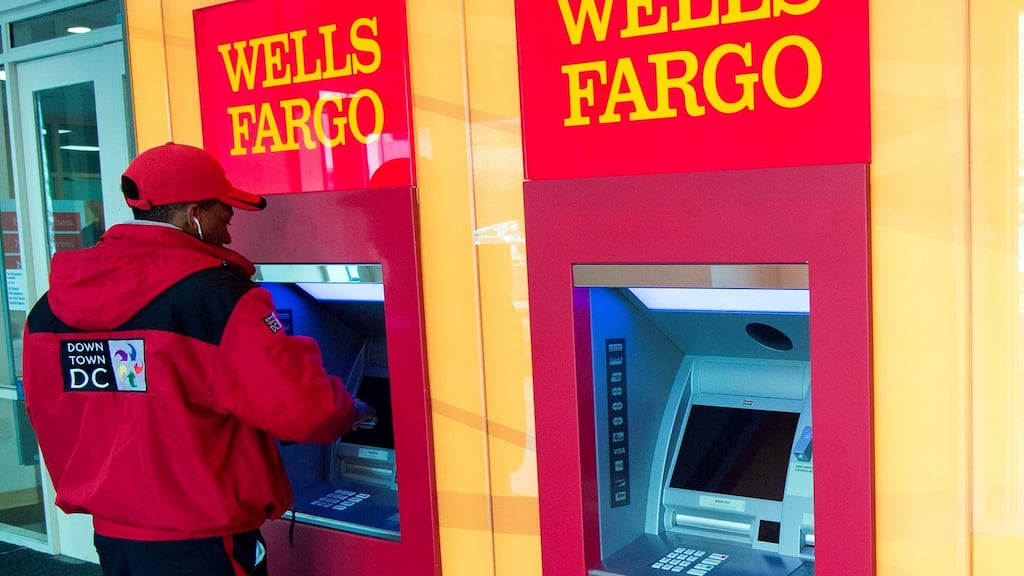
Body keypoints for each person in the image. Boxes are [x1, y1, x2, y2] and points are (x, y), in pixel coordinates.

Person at [22, 142, 376, 576]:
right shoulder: (217, 300)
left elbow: (47, 411)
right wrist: (351, 408)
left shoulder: (50, 309)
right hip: (204, 541)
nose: (229, 231)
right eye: (223, 214)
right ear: (193, 214)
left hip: (116, 539)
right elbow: (304, 409)